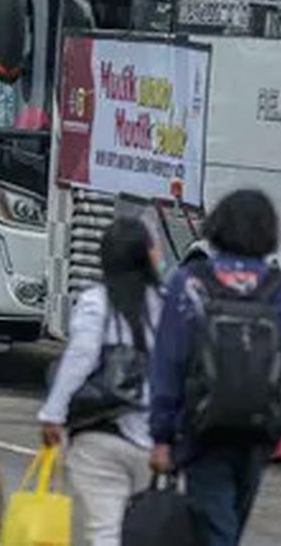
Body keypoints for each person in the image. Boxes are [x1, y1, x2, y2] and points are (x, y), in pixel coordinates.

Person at [149, 189, 281, 546]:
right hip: (258, 430)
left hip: (200, 431)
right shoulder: (275, 288)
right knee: (228, 524)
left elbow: (169, 361)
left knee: (214, 526)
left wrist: (161, 433)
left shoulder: (191, 283)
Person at [39, 217, 161, 546]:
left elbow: (80, 357)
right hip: (151, 438)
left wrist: (53, 414)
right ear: (147, 256)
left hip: (98, 435)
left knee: (104, 531)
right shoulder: (165, 305)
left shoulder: (96, 301)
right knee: (137, 530)